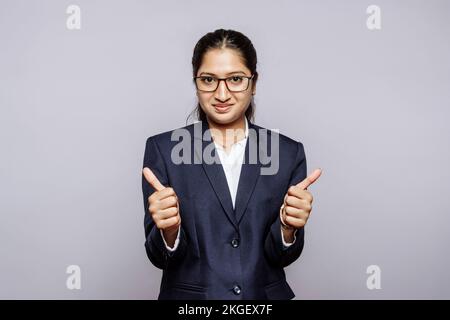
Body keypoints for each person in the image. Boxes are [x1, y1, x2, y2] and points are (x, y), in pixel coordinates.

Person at [141, 29, 322, 300]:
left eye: (236, 79)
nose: (222, 94)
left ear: (254, 82)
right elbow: (159, 257)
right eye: (208, 80)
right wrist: (168, 232)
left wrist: (287, 227)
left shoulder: (287, 153)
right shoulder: (164, 150)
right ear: (196, 82)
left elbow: (281, 256)